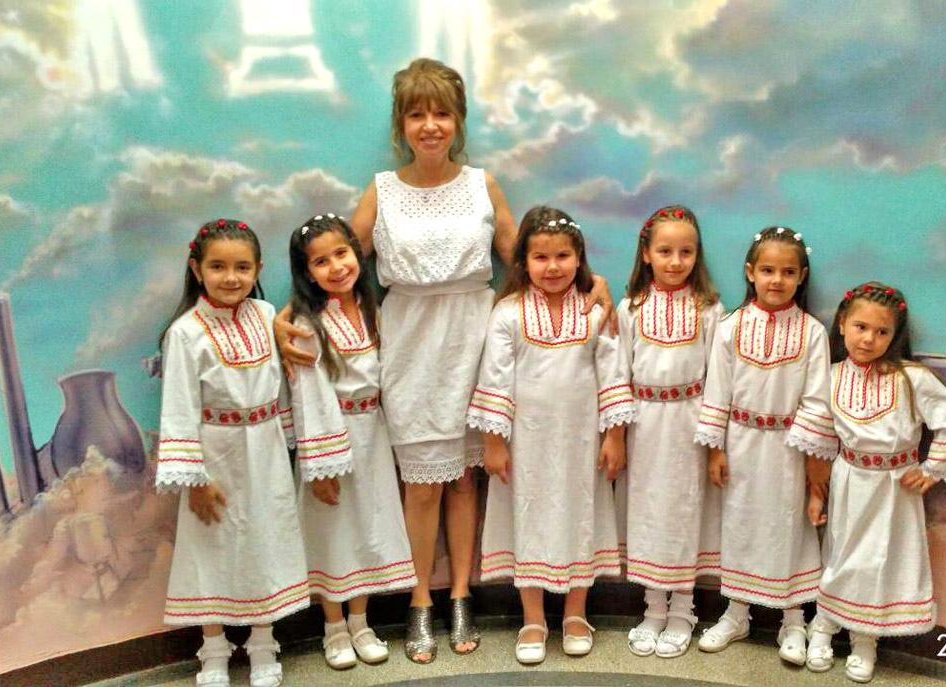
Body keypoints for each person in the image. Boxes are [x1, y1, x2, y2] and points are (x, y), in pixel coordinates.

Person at [272, 57, 615, 663]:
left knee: (464, 478)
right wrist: (285, 313)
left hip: (474, 334)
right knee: (422, 482)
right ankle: (418, 600)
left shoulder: (483, 184)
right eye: (417, 114)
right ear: (400, 125)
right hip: (410, 340)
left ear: (457, 121)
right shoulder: (382, 189)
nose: (430, 125)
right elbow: (335, 261)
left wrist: (595, 281)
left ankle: (460, 594)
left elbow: (528, 257)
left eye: (441, 113)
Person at [467, 206, 633, 665]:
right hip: (525, 443)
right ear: (524, 261)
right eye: (541, 257)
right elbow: (495, 376)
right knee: (528, 517)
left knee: (583, 513)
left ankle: (576, 615)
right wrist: (494, 442)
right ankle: (534, 619)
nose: (553, 267)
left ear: (579, 258)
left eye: (563, 256)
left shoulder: (596, 309)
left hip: (582, 442)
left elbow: (613, 373)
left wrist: (615, 436)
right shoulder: (508, 312)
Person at [155, 219, 308, 687]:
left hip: (265, 448)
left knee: (265, 538)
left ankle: (263, 642)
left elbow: (284, 381)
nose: (231, 277)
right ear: (196, 269)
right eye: (218, 266)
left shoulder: (266, 315)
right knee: (212, 547)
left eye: (242, 267)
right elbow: (179, 406)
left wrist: (293, 442)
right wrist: (195, 479)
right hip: (214, 454)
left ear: (258, 268)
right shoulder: (185, 332)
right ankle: (214, 649)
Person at [804, 282, 946, 683]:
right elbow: (819, 434)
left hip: (894, 489)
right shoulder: (830, 376)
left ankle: (866, 639)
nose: (869, 339)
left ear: (894, 336)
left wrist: (931, 469)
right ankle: (824, 624)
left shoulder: (911, 378)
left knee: (880, 560)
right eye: (861, 327)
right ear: (842, 324)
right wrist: (816, 493)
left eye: (882, 332)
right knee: (840, 554)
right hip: (848, 479)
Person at [693, 227, 839, 666]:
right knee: (740, 525)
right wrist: (716, 449)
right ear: (750, 272)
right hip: (740, 444)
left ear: (802, 277)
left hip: (789, 450)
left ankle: (793, 620)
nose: (777, 280)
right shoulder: (730, 327)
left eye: (788, 272)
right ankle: (736, 614)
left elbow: (817, 398)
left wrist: (813, 463)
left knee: (789, 527)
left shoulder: (812, 333)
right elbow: (717, 389)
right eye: (768, 270)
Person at [286, 214, 417, 670]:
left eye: (341, 254)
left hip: (371, 434)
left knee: (367, 525)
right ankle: (334, 626)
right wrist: (320, 465)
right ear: (307, 273)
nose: (336, 267)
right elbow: (308, 396)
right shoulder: (306, 323)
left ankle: (361, 622)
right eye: (321, 261)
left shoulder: (371, 310)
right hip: (331, 437)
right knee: (333, 529)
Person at [615, 205, 724, 659]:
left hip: (690, 425)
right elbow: (618, 372)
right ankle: (653, 608)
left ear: (697, 255)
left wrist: (714, 440)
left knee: (685, 513)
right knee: (648, 512)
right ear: (646, 254)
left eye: (686, 252)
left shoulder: (709, 309)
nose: (676, 261)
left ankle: (683, 609)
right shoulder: (630, 308)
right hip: (644, 425)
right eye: (665, 251)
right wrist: (615, 434)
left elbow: (719, 376)